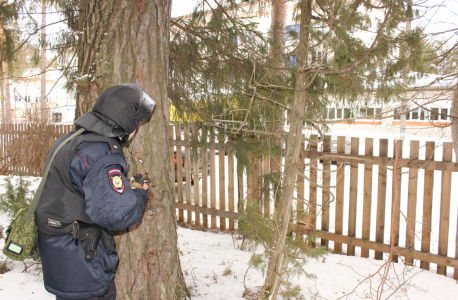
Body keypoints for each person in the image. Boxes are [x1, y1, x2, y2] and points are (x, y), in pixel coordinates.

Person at [35, 83, 156, 300]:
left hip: (62, 254)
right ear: (128, 125)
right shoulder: (102, 152)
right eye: (137, 125)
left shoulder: (74, 139)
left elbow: (75, 190)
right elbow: (117, 215)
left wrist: (116, 189)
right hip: (82, 261)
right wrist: (139, 194)